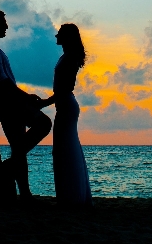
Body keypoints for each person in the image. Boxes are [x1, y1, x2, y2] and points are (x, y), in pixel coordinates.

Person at [0, 9, 52, 199]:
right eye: (3, 22)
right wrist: (25, 98)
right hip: (8, 104)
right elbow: (1, 81)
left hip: (6, 103)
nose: (6, 26)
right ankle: (4, 170)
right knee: (43, 124)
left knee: (19, 146)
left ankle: (24, 193)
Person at [41, 23, 93, 207]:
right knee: (65, 148)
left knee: (64, 149)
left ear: (68, 37)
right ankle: (70, 195)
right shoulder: (68, 56)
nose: (56, 36)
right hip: (65, 105)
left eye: (60, 34)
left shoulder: (69, 57)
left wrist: (45, 102)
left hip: (66, 105)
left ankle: (70, 197)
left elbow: (65, 88)